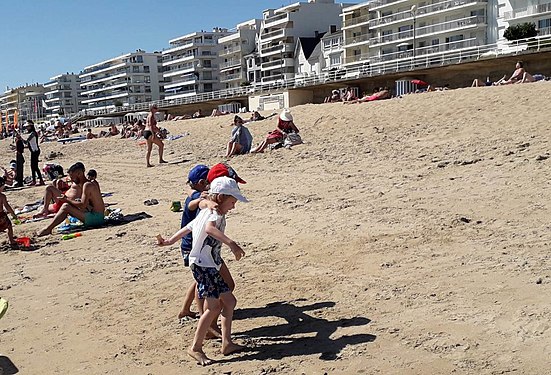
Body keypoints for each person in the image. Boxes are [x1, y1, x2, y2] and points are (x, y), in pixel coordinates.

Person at [157, 176, 247, 365]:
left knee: (229, 301)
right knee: (214, 307)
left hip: (207, 263)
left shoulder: (208, 210)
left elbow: (189, 227)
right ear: (221, 197)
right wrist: (232, 244)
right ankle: (195, 348)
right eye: (232, 202)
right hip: (202, 264)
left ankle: (227, 342)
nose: (233, 207)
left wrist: (169, 241)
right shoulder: (214, 213)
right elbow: (209, 229)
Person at [37, 162, 105, 236]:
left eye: (73, 177)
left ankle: (48, 229)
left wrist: (66, 199)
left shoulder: (87, 185)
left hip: (96, 219)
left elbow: (82, 205)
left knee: (66, 206)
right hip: (99, 216)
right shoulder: (91, 183)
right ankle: (48, 227)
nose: (72, 180)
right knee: (68, 205)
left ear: (79, 174)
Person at [25, 121, 45, 186]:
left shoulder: (33, 133)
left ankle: (40, 180)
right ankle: (34, 180)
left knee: (35, 166)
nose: (27, 128)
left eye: (28, 126)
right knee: (33, 166)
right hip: (34, 151)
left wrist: (19, 138)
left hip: (35, 151)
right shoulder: (32, 133)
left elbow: (26, 142)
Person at [0, 177, 18, 247]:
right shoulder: (2, 196)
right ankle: (11, 240)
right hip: (1, 215)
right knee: (9, 226)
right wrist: (13, 214)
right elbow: (7, 206)